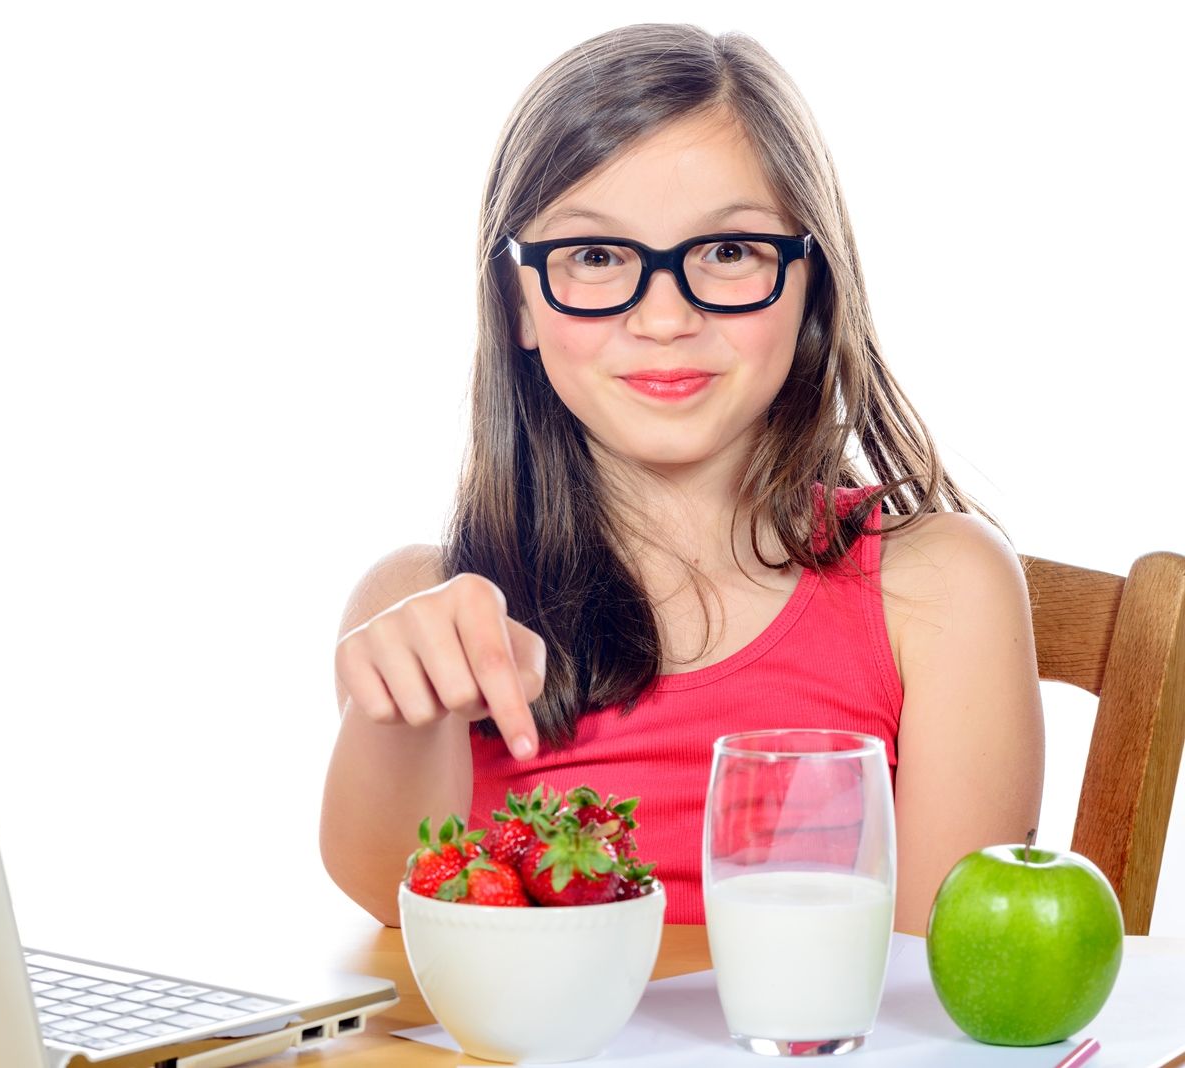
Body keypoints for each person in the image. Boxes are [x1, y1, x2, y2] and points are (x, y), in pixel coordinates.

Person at [318, 23, 1043, 935]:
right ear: (519, 305)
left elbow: (930, 987)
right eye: (595, 257)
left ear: (810, 286)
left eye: (729, 253)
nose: (665, 316)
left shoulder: (942, 590)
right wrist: (403, 715)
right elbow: (392, 900)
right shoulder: (418, 605)